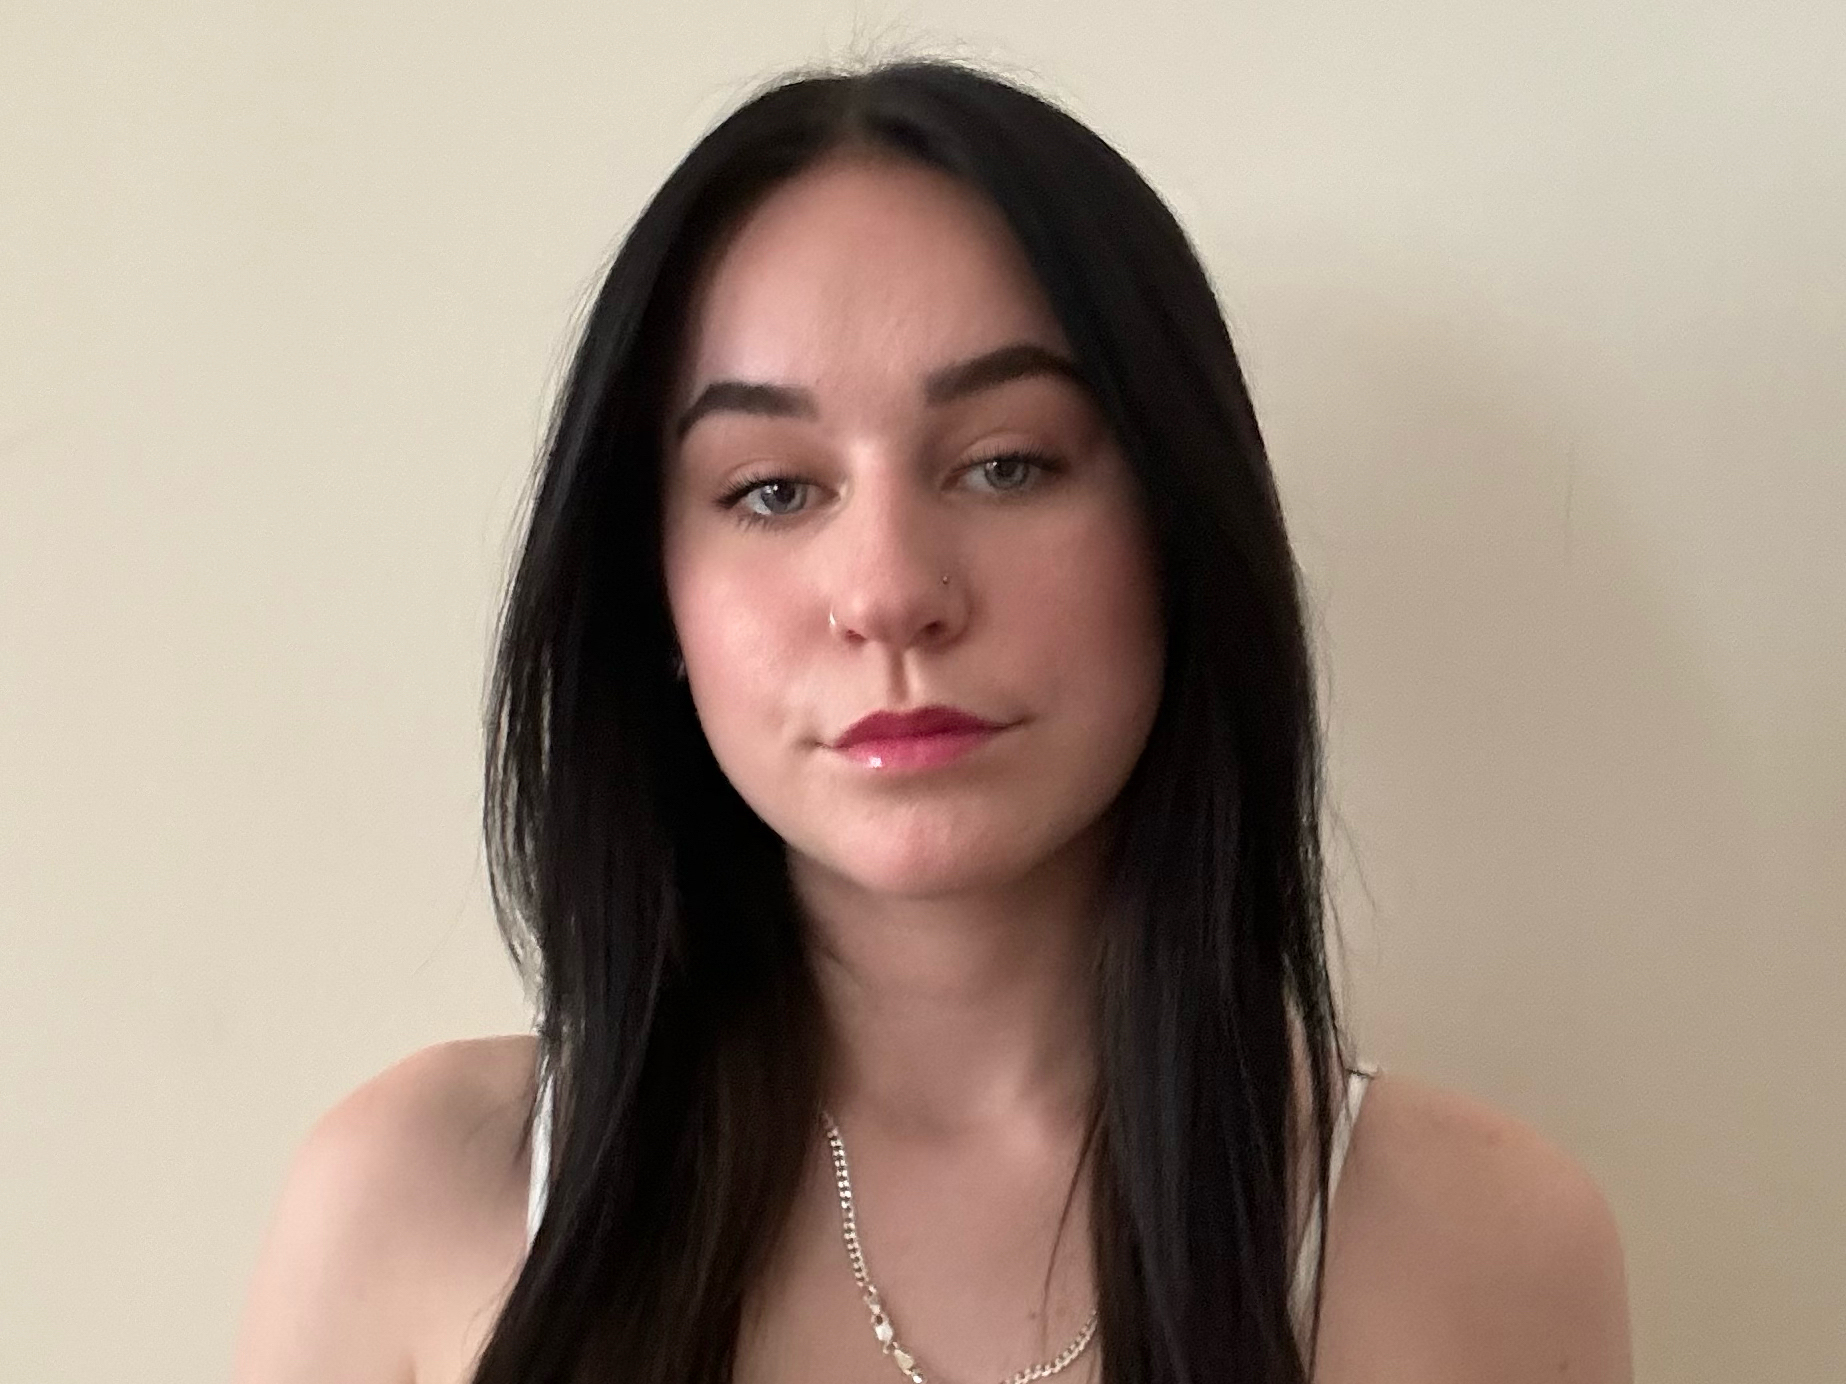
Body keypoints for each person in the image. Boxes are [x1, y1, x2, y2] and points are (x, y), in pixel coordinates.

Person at [232, 58, 1631, 1384]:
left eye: (1006, 464)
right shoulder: (412, 1204)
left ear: (1179, 527)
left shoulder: (1481, 1245)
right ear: (651, 597)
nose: (890, 592)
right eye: (771, 490)